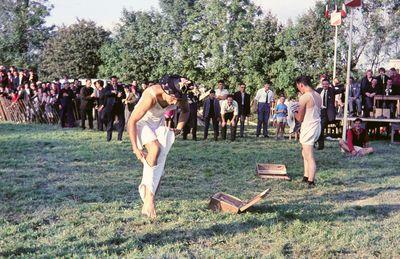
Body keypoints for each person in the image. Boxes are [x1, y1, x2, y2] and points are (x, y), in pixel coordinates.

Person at [127, 75, 189, 219]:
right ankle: (149, 200)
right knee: (154, 149)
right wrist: (135, 148)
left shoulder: (180, 96)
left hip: (158, 124)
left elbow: (186, 111)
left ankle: (149, 199)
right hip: (141, 124)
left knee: (159, 163)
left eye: (178, 99)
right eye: (173, 98)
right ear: (165, 90)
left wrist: (179, 128)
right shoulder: (151, 94)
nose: (175, 102)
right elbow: (132, 121)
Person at [294, 76, 322, 188]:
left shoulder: (305, 97)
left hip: (309, 127)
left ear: (301, 85)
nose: (299, 90)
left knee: (309, 155)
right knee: (304, 152)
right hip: (316, 126)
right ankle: (306, 176)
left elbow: (299, 118)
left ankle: (311, 181)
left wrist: (292, 112)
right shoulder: (318, 95)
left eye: (298, 87)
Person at [315, 78, 344, 150]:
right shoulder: (319, 90)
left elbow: (340, 90)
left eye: (326, 84)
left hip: (328, 113)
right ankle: (319, 144)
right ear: (322, 84)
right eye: (323, 84)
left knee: (321, 128)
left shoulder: (332, 90)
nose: (325, 85)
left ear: (329, 84)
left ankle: (319, 144)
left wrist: (346, 86)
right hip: (320, 111)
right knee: (319, 128)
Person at [104, 76, 126, 142]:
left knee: (122, 121)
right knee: (110, 122)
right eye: (113, 81)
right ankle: (108, 138)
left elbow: (124, 95)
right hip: (110, 107)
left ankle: (119, 138)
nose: (114, 82)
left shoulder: (120, 87)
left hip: (119, 106)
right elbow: (105, 94)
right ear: (111, 81)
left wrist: (121, 95)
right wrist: (112, 92)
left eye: (115, 81)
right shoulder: (107, 87)